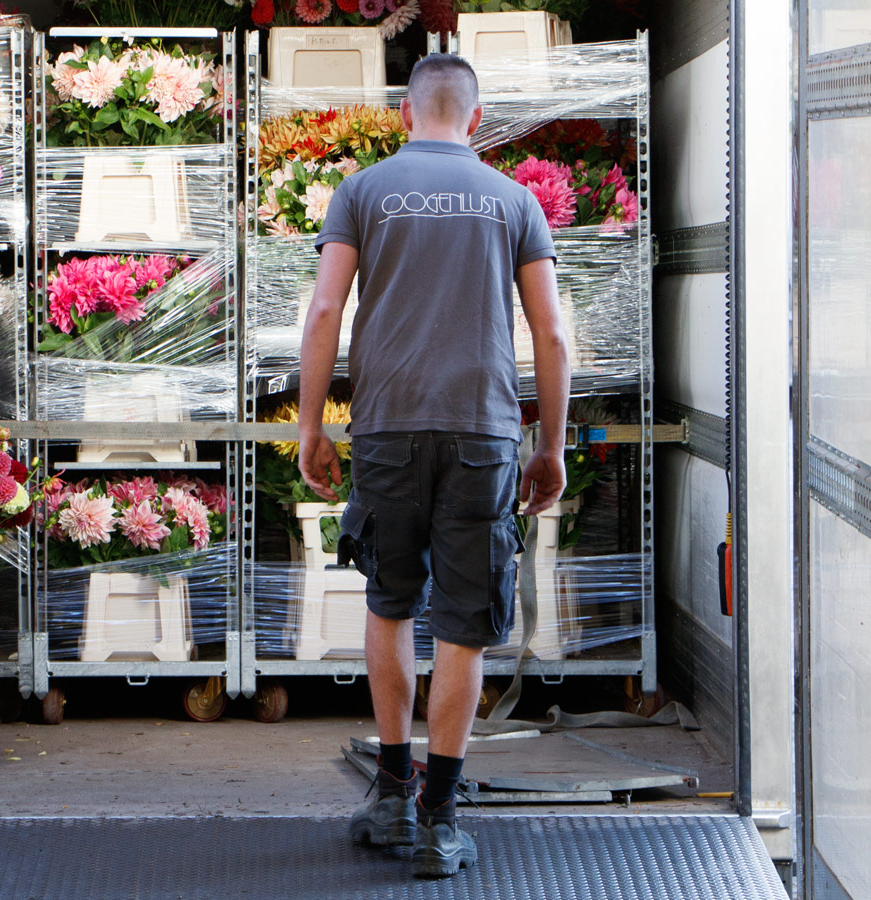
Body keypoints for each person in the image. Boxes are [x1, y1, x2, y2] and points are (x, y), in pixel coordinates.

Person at [297, 53, 570, 879]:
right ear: (476, 120)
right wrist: (550, 445)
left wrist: (311, 425)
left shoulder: (364, 192)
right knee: (463, 622)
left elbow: (322, 309)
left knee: (388, 604)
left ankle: (387, 792)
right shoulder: (514, 200)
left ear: (406, 115)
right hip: (481, 433)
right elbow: (552, 335)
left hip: (383, 427)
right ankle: (438, 822)